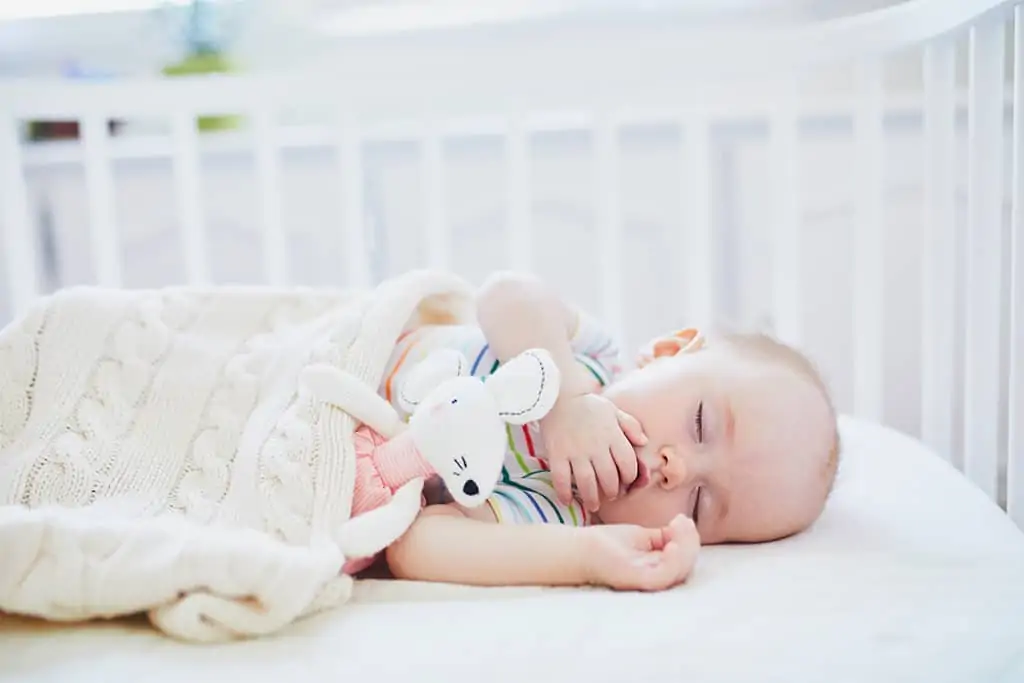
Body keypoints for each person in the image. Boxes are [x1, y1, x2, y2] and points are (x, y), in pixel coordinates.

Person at [373, 271, 839, 591]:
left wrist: (586, 556)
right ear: (668, 351)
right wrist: (564, 403)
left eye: (700, 504)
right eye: (700, 423)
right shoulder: (588, 357)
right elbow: (504, 294)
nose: (675, 469)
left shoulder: (557, 515)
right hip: (362, 359)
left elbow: (413, 547)